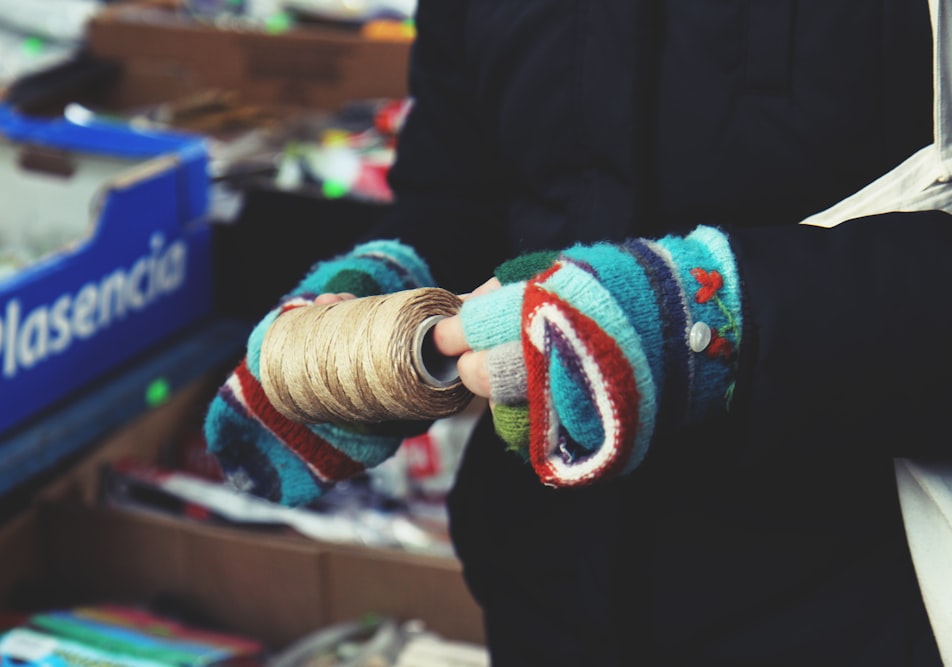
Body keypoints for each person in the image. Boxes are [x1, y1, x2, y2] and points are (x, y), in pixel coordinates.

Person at [205, 0, 952, 664]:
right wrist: (381, 299)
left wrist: (707, 317)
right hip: (549, 590)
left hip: (859, 598)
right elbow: (459, 191)